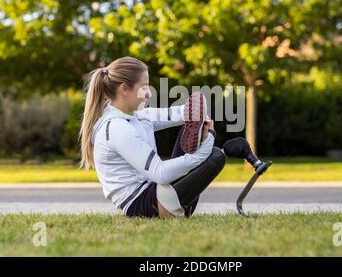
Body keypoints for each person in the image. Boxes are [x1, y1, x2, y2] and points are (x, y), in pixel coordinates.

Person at [79, 56, 252, 218]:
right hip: (143, 204)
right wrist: (206, 145)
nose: (149, 93)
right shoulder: (116, 128)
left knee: (192, 130)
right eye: (144, 87)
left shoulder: (135, 116)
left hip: (159, 193)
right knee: (215, 156)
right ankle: (184, 195)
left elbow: (175, 113)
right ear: (124, 89)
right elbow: (160, 173)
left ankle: (200, 148)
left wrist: (199, 116)